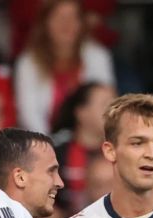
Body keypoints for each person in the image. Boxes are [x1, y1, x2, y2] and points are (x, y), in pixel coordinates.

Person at [15, 0, 116, 134]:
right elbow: (29, 115)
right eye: (60, 18)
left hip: (91, 142)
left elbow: (107, 104)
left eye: (73, 17)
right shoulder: (28, 63)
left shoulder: (98, 56)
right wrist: (49, 147)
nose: (67, 24)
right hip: (44, 143)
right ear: (45, 23)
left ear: (82, 23)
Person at [51, 82, 116, 213]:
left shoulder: (121, 150)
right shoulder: (54, 152)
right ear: (81, 112)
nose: (114, 111)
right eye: (105, 104)